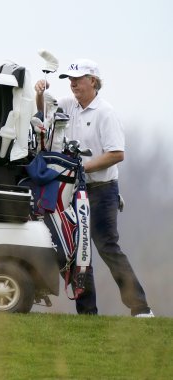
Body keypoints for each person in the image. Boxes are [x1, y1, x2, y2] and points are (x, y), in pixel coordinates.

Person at [34, 59, 154, 317]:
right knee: (79, 250)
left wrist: (83, 167)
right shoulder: (70, 104)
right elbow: (44, 111)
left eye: (78, 79)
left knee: (107, 248)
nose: (73, 83)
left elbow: (117, 153)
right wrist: (40, 92)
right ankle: (87, 313)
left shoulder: (105, 112)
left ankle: (140, 308)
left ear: (93, 81)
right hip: (76, 191)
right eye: (70, 79)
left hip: (102, 190)